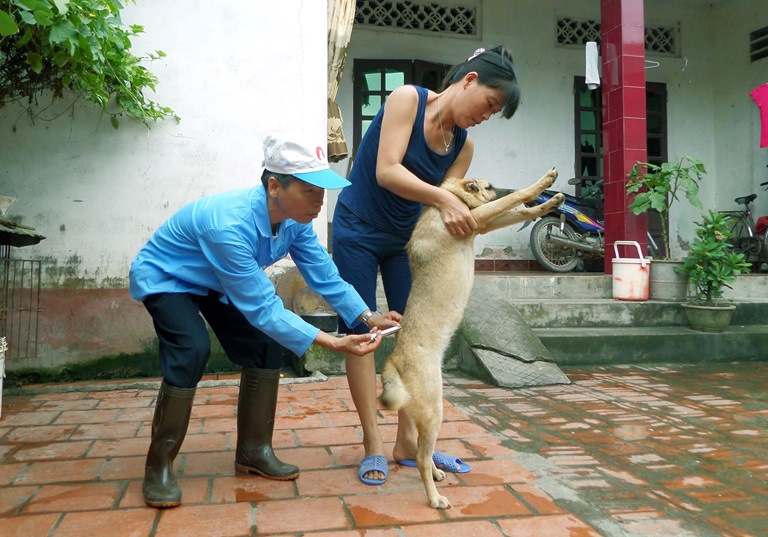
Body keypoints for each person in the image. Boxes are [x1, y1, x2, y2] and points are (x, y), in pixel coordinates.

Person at [129, 134, 400, 508]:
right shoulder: (228, 224)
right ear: (275, 186)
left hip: (215, 281)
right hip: (168, 277)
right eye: (310, 191)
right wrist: (333, 342)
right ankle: (158, 465)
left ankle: (253, 451)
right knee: (191, 348)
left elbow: (326, 275)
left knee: (267, 342)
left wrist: (368, 316)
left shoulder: (295, 221)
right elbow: (263, 309)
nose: (320, 203)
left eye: (323, 192)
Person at [331, 45, 521, 485]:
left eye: (495, 113)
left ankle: (407, 444)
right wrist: (443, 198)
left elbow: (444, 212)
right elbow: (387, 170)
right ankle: (372, 444)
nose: (486, 116)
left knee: (412, 339)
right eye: (490, 104)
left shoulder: (463, 144)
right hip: (357, 229)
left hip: (404, 242)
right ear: (469, 81)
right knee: (362, 335)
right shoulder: (407, 100)